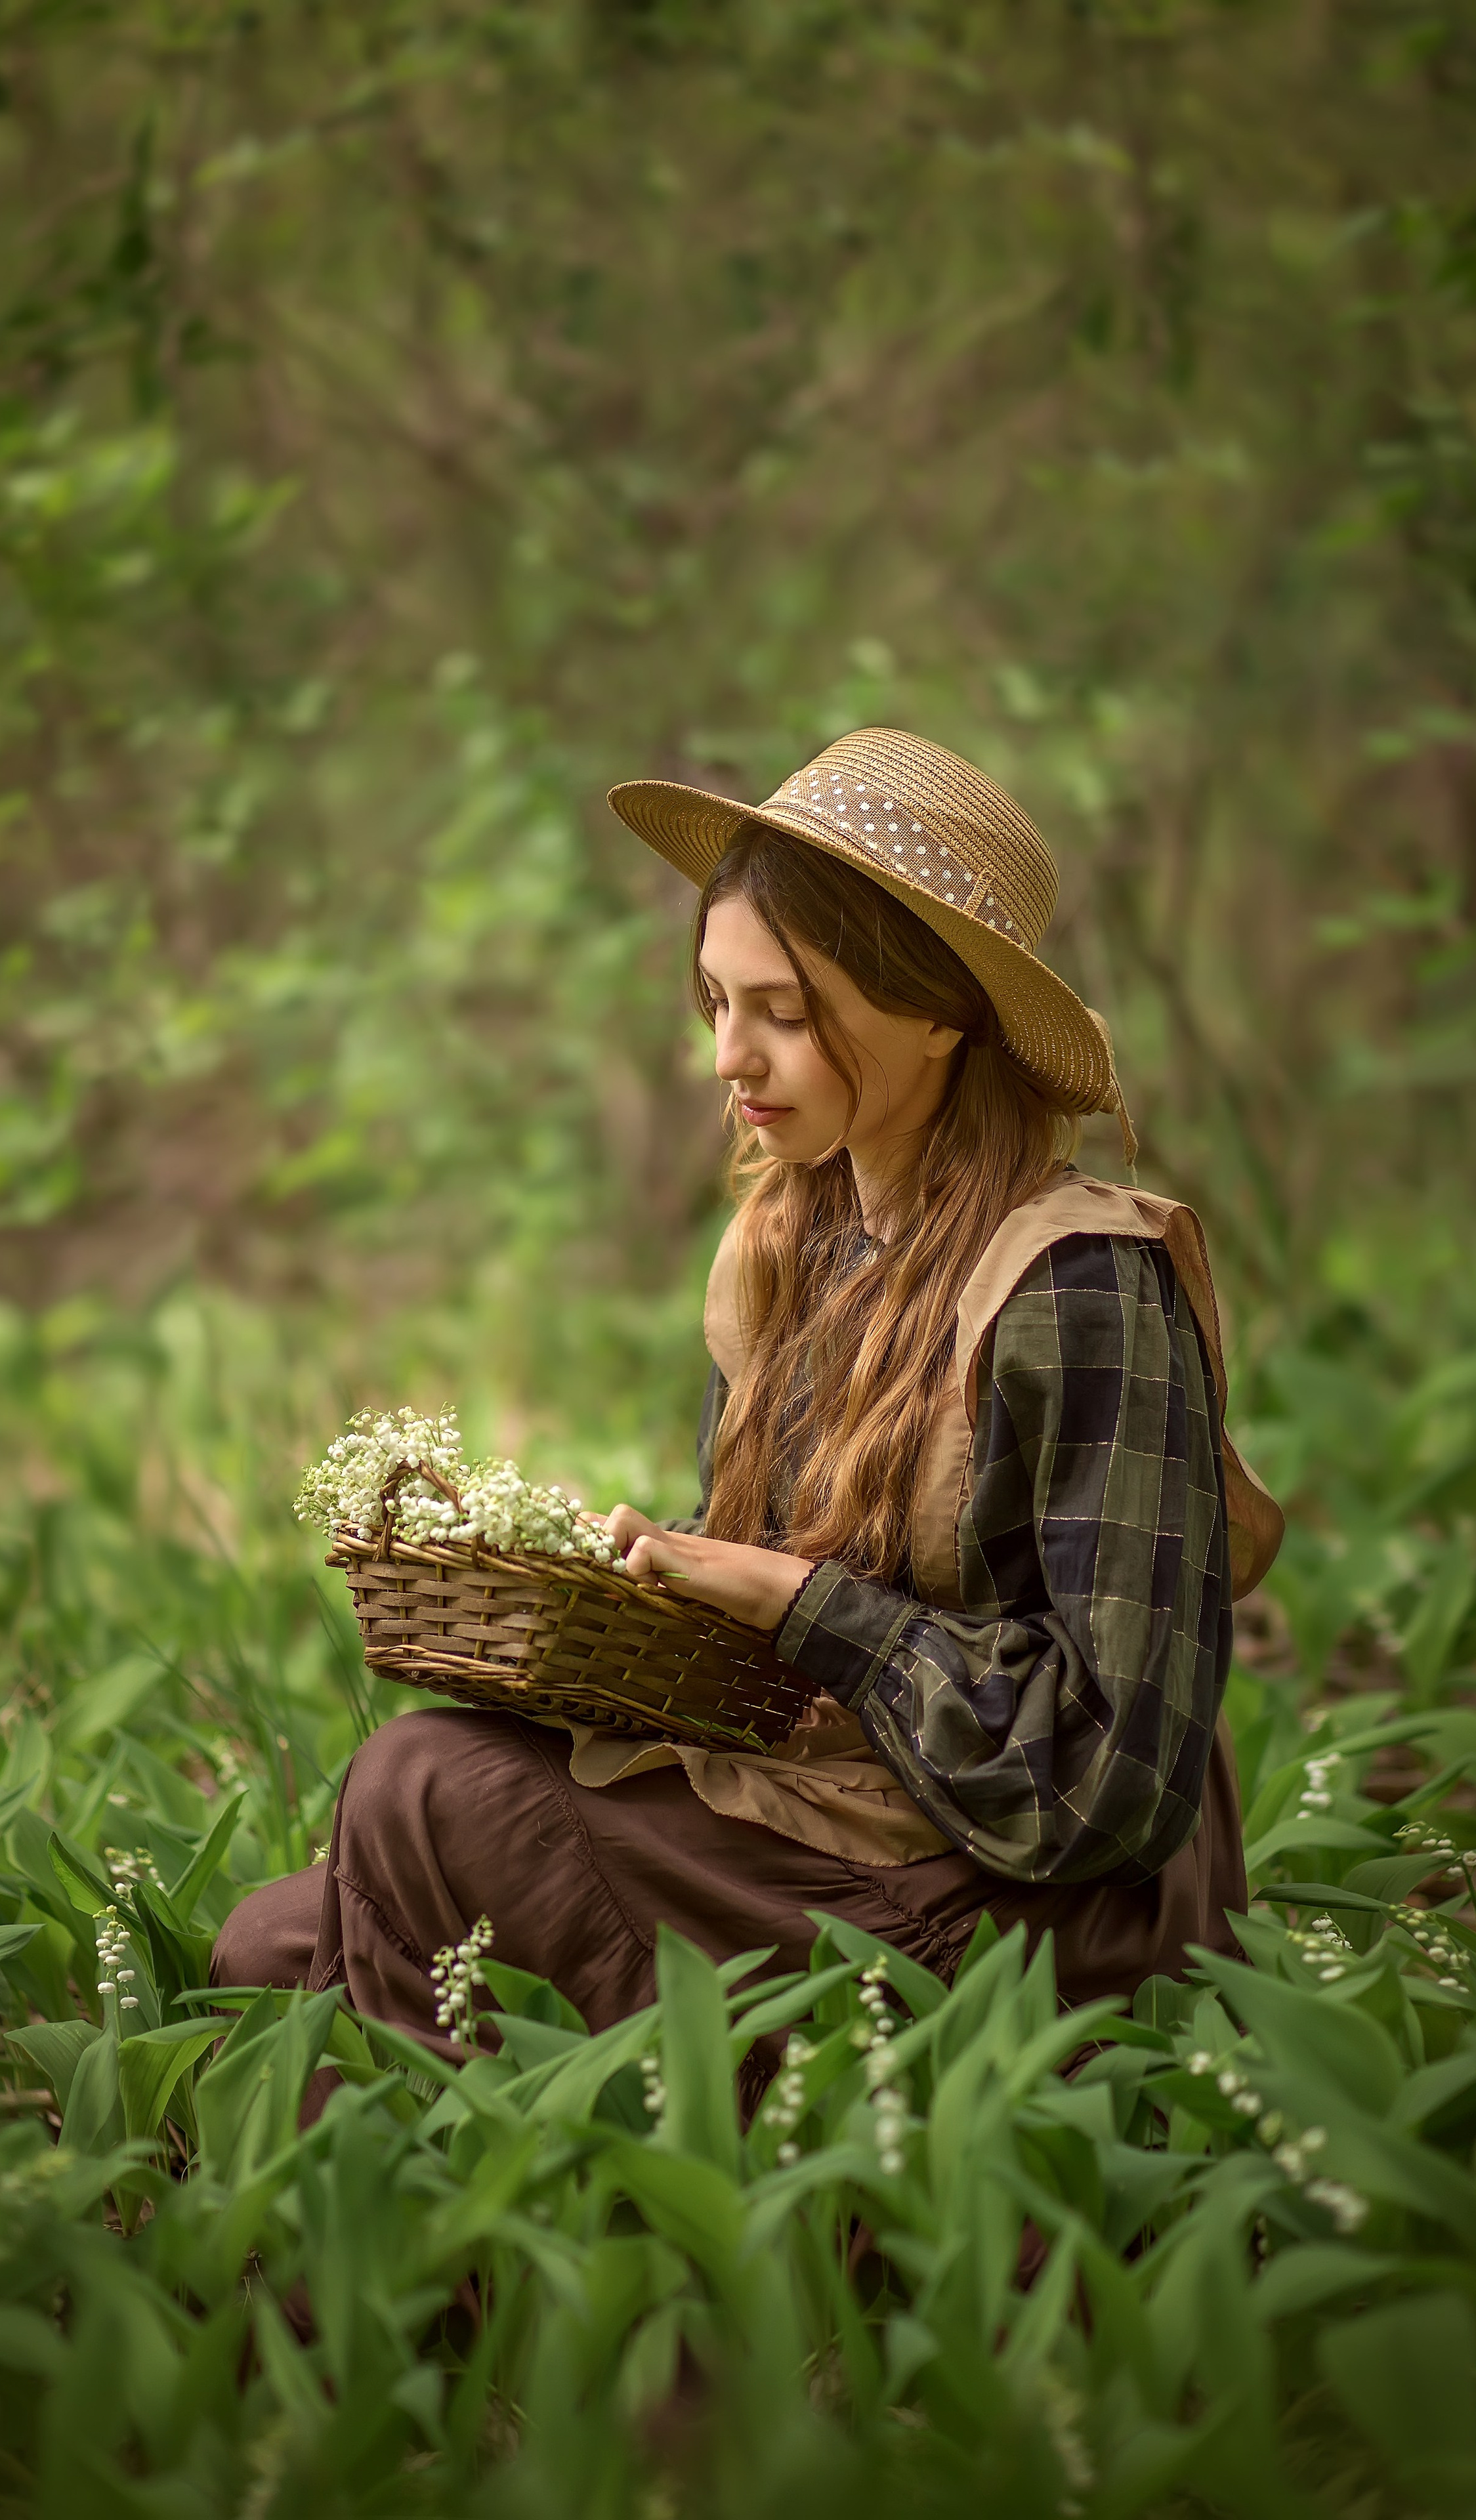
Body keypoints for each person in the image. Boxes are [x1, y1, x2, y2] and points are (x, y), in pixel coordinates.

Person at [212, 728, 1282, 2079]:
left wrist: (794, 1603)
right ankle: (515, 2189)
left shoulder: (1080, 1290)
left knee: (419, 1792)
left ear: (940, 1009)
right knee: (274, 1940)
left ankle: (478, 2250)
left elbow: (1103, 1784)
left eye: (783, 1011)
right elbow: (781, 1630)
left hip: (1034, 1908)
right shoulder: (792, 1252)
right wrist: (615, 1606)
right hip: (835, 1815)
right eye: (714, 1003)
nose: (729, 1056)